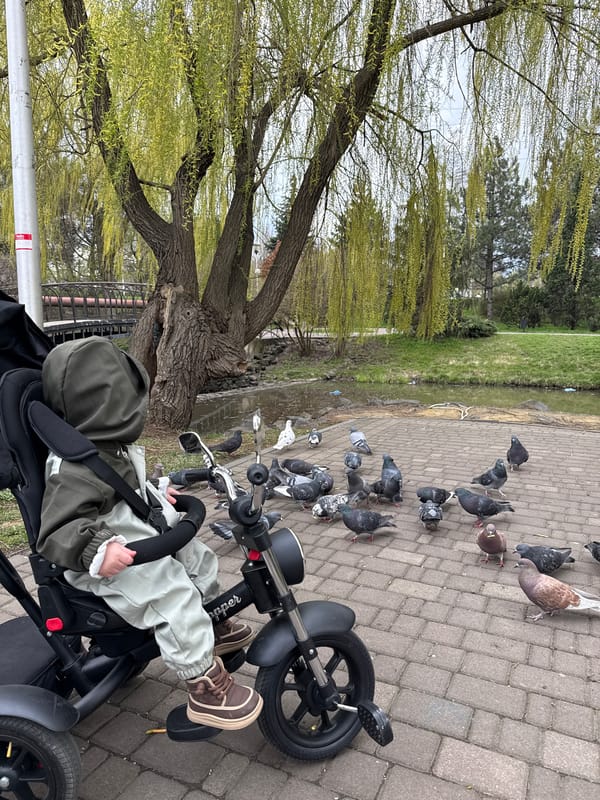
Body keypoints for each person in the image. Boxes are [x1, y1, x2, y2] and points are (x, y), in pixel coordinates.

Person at [37, 336, 263, 730]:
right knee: (172, 592)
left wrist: (158, 494)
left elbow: (123, 489)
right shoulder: (72, 467)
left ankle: (211, 622)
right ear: (106, 405)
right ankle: (205, 686)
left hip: (135, 537)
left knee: (197, 557)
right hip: (104, 561)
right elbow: (58, 530)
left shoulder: (107, 446)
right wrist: (96, 551)